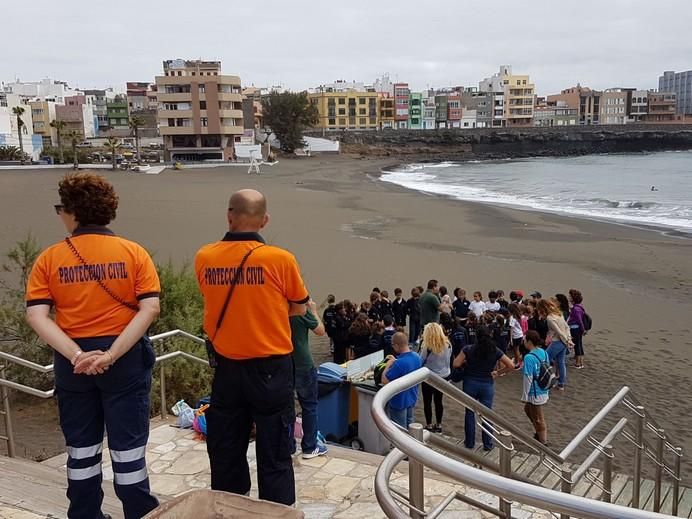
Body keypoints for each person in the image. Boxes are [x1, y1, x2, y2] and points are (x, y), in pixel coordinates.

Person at [25, 173, 161, 519]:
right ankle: (140, 512)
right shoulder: (134, 253)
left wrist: (77, 355)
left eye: (61, 208)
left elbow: (37, 316)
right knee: (128, 449)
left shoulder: (49, 259)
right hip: (126, 359)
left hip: (74, 363)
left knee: (81, 449)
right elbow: (150, 308)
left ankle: (85, 514)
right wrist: (112, 354)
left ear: (71, 211)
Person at [195, 189, 309, 505]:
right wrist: (268, 309)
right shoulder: (280, 259)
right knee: (275, 448)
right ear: (265, 220)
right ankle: (276, 510)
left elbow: (213, 298)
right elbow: (299, 307)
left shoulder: (205, 257)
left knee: (226, 447)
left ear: (229, 216)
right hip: (271, 367)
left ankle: (232, 506)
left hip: (227, 365)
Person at [452, 326, 514, 450]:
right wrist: (498, 372)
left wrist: (466, 363)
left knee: (469, 413)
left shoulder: (468, 349)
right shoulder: (494, 350)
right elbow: (511, 365)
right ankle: (488, 444)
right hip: (487, 384)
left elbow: (456, 363)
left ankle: (470, 442)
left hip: (470, 382)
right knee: (487, 415)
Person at [290, 299, 328, 459]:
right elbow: (320, 331)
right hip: (303, 364)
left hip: (283, 363)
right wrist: (313, 310)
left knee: (285, 406)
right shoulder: (300, 309)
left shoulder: (277, 307)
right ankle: (310, 446)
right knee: (309, 406)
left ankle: (288, 445)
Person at [382, 332, 422, 429]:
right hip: (412, 397)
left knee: (400, 429)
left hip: (398, 401)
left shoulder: (399, 364)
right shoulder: (417, 357)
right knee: (410, 425)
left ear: (396, 345)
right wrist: (395, 361)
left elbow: (384, 380)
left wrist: (388, 365)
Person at [418, 323, 452, 433]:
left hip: (429, 376)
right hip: (443, 376)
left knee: (427, 402)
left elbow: (420, 360)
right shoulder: (448, 344)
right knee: (439, 401)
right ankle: (439, 424)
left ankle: (429, 424)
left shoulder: (427, 346)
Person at [537, 299, 574, 391]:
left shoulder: (550, 318)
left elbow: (559, 332)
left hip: (558, 342)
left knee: (544, 360)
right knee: (561, 362)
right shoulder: (559, 314)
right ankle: (561, 383)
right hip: (563, 341)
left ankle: (547, 380)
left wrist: (567, 341)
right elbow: (566, 327)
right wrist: (568, 339)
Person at [522, 330, 549, 444]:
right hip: (544, 388)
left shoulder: (529, 357)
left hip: (535, 391)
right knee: (528, 409)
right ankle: (539, 433)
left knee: (538, 418)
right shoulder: (543, 352)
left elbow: (527, 378)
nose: (523, 341)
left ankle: (543, 442)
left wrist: (524, 395)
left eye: (525, 340)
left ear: (529, 341)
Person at [567, 289, 586, 369]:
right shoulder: (578, 307)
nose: (569, 297)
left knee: (577, 345)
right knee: (579, 345)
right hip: (577, 329)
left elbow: (579, 320)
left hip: (576, 329)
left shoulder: (576, 308)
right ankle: (580, 362)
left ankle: (578, 363)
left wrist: (583, 329)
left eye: (570, 296)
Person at [508, 302, 525, 367]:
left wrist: (511, 339)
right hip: (520, 334)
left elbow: (511, 329)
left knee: (516, 349)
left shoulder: (512, 318)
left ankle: (517, 363)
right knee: (517, 349)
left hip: (516, 336)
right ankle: (517, 360)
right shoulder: (518, 316)